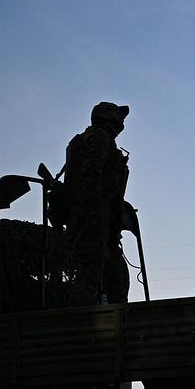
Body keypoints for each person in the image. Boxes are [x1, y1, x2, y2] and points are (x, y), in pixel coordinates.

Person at [62, 101, 132, 305]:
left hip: (99, 217)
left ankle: (115, 320)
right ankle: (81, 324)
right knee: (90, 275)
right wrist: (94, 211)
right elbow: (91, 175)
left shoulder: (93, 139)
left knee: (116, 273)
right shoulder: (98, 137)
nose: (121, 122)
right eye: (118, 116)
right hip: (93, 216)